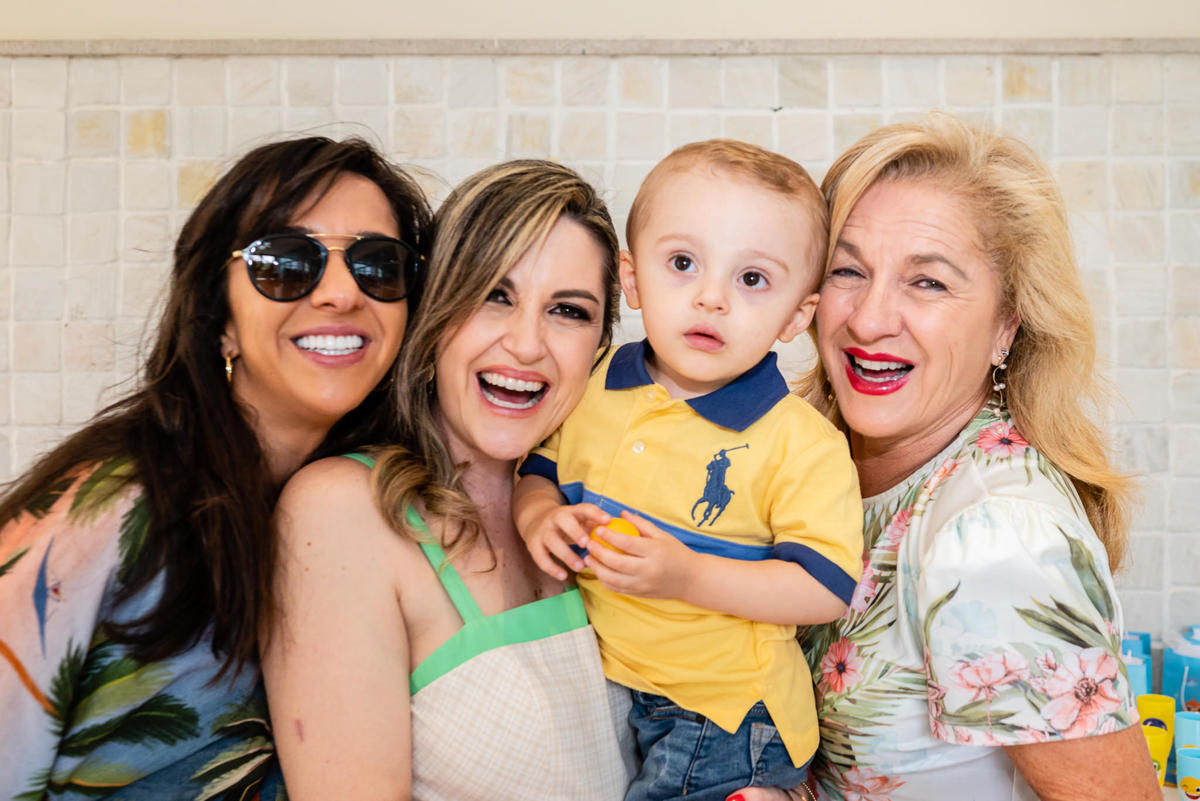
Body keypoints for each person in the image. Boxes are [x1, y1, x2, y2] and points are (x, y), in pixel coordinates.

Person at [0, 136, 432, 800]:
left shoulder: (367, 514)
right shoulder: (115, 510)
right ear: (219, 319)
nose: (342, 293)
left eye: (379, 265)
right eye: (286, 263)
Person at [786, 113, 1159, 800]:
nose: (869, 318)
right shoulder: (816, 462)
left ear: (1005, 326)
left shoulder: (994, 534)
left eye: (927, 282)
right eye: (847, 270)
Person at [261, 160, 638, 800]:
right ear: (436, 312)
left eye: (568, 311)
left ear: (600, 344)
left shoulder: (606, 504)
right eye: (495, 295)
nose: (527, 345)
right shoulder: (343, 512)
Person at [514, 139, 864, 801]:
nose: (711, 298)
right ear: (631, 280)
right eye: (682, 264)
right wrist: (538, 514)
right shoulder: (592, 381)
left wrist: (688, 575)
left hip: (727, 712)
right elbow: (539, 467)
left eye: (751, 279)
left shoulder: (799, 443)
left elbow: (824, 588)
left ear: (797, 315)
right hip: (624, 686)